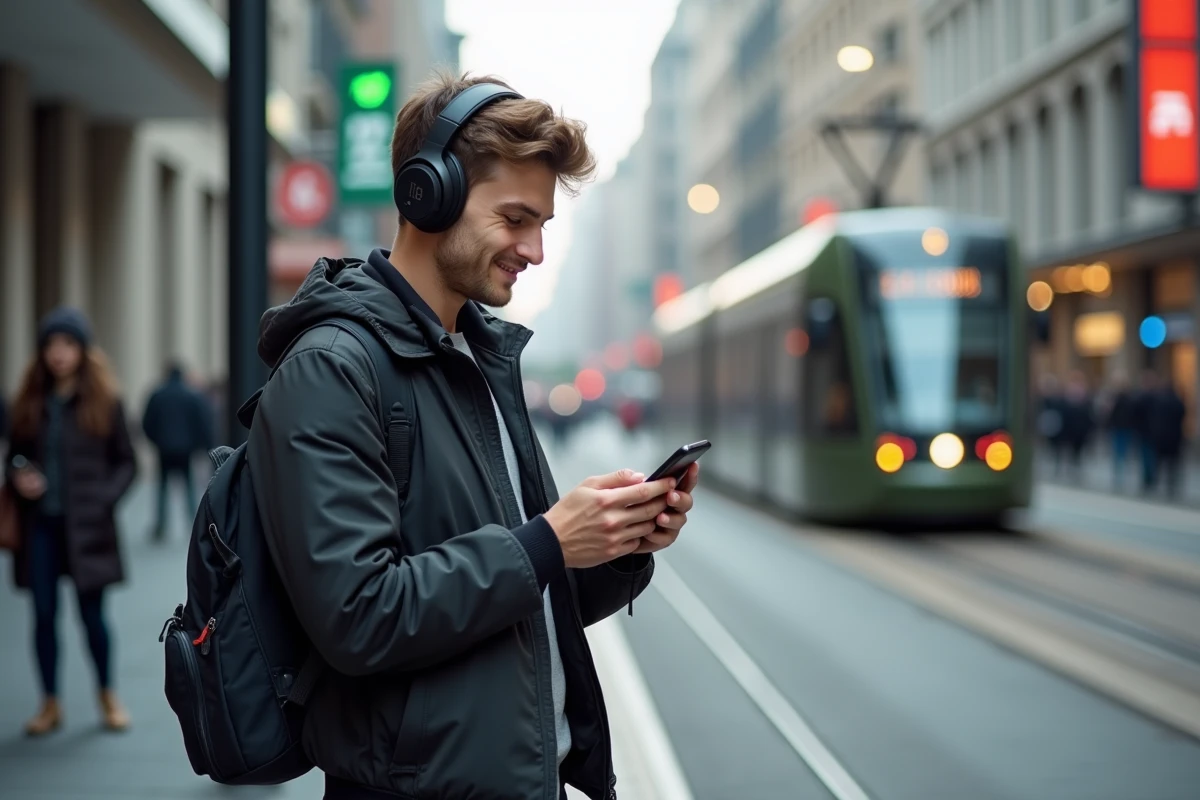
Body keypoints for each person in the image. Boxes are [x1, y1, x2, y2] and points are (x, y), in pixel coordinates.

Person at [246, 71, 699, 800]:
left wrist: (615, 544)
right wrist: (550, 540)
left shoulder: (479, 361)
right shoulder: (332, 370)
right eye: (517, 218)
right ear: (430, 194)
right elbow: (360, 617)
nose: (535, 249)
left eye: (544, 225)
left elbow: (520, 595)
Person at [3, 307, 137, 736]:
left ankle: (107, 694)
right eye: (51, 346)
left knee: (92, 617)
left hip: (88, 527)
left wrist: (104, 499)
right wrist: (18, 475)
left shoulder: (105, 401)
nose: (59, 354)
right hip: (39, 525)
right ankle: (50, 703)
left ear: (83, 350)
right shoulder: (29, 401)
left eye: (68, 345)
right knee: (43, 615)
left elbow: (127, 464)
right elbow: (14, 457)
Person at [141, 361, 214, 542]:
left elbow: (147, 422)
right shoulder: (192, 396)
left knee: (162, 488)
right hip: (186, 449)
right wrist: (201, 445)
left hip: (164, 449)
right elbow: (203, 422)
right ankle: (194, 524)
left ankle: (160, 526)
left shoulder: (157, 395)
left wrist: (156, 441)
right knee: (189, 487)